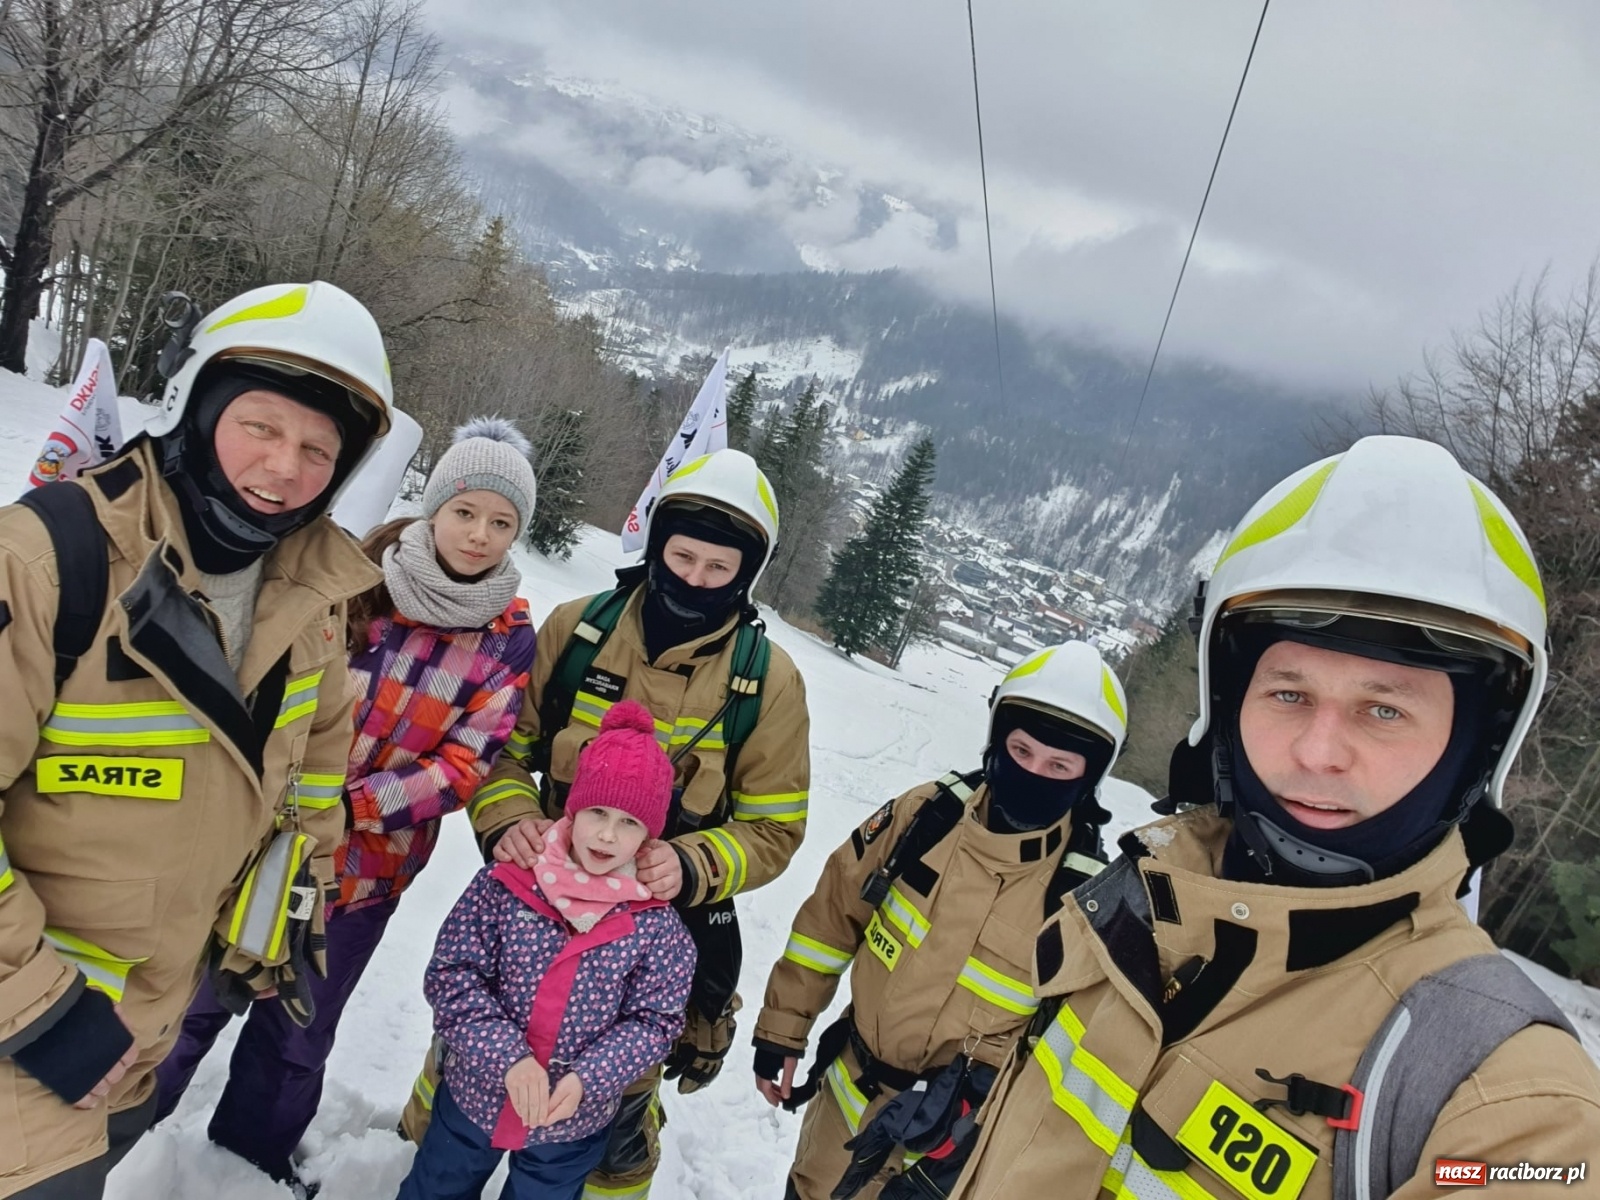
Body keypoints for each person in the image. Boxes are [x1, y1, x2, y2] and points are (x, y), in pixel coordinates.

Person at [943, 435, 1600, 1200]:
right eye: (1288, 694)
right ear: (1228, 705)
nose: (1318, 753)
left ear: (1471, 753)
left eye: (1384, 710)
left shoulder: (1508, 1101)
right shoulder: (1137, 900)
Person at [0, 281, 393, 1198]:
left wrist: (290, 902)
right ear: (195, 405)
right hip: (29, 1036)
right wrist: (45, 1017)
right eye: (261, 426)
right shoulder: (49, 561)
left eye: (317, 450)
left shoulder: (313, 600)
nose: (286, 469)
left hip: (139, 1036)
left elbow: (310, 775)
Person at [400, 447, 812, 1200]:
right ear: (655, 545)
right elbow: (497, 750)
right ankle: (432, 1147)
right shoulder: (575, 631)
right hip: (529, 906)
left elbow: (775, 827)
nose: (694, 579)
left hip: (644, 936)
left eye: (719, 569)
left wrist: (692, 866)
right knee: (471, 1052)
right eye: (681, 556)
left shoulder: (768, 684)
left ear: (746, 574)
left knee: (612, 1110)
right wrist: (511, 824)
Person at [149, 417, 540, 1191]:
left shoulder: (507, 637)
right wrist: (287, 792)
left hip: (364, 872)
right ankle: (125, 1129)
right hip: (257, 842)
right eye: (465, 511)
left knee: (298, 1027)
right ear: (435, 507)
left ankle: (247, 1162)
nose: (478, 534)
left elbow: (466, 763)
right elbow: (277, 680)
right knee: (192, 998)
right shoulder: (359, 575)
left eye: (502, 523)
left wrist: (344, 808)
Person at [753, 641, 1126, 1200]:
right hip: (847, 1109)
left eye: (1059, 766)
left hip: (951, 1148)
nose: (1032, 773)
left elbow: (1078, 1053)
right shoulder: (925, 816)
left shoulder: (1090, 896)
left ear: (1087, 778)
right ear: (996, 741)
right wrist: (783, 1029)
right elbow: (831, 920)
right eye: (1020, 750)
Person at [396, 699, 696, 1200]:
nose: (606, 834)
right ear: (573, 807)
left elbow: (655, 1022)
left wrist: (588, 1078)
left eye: (629, 823)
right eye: (597, 812)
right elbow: (453, 975)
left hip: (572, 1120)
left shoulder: (657, 929)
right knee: (437, 1187)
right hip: (475, 1097)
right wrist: (509, 1059)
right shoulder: (507, 883)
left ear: (650, 833)